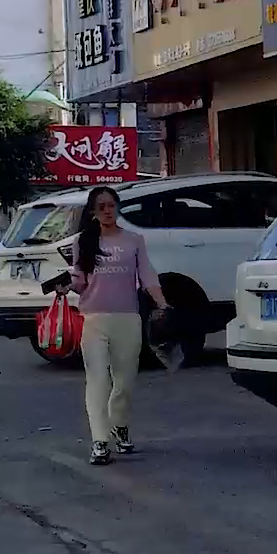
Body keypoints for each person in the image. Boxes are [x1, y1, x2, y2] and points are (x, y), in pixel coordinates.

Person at [70, 185, 167, 466]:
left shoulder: (134, 240)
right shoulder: (83, 242)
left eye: (111, 205)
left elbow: (147, 276)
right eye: (101, 207)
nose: (107, 211)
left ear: (118, 207)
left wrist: (162, 303)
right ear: (93, 212)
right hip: (93, 319)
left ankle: (119, 425)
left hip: (127, 318)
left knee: (124, 382)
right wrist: (68, 286)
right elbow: (80, 279)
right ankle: (100, 442)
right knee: (97, 381)